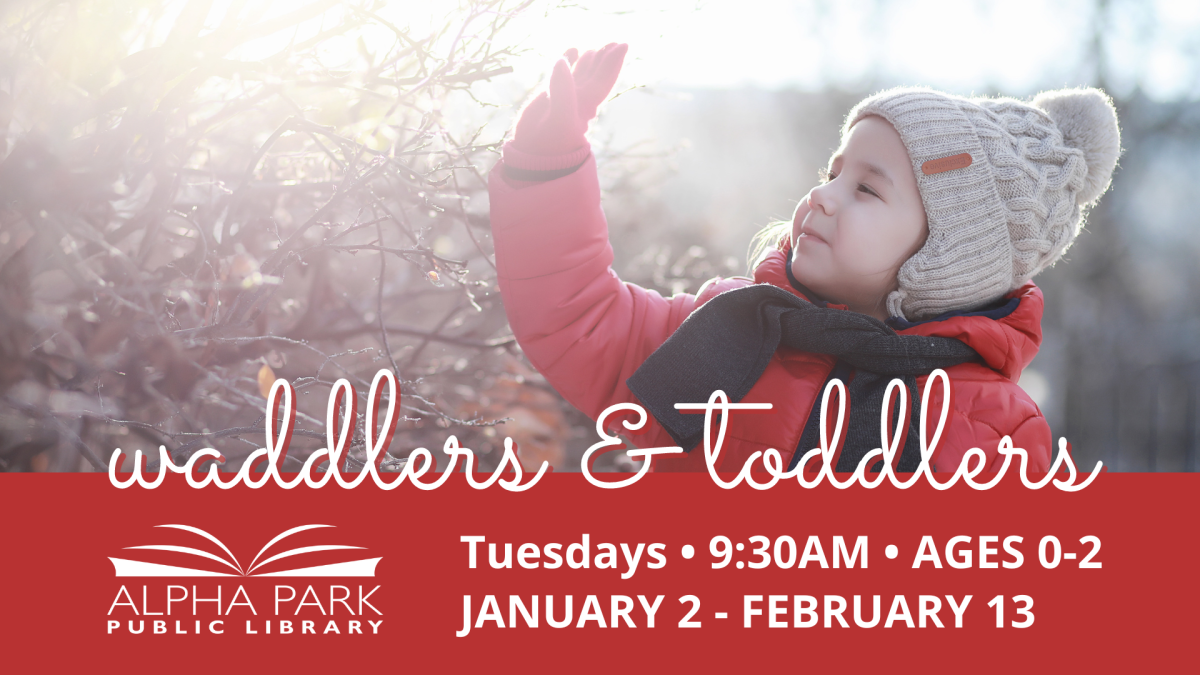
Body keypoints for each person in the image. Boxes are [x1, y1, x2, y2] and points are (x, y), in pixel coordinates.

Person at [487, 42, 1121, 474]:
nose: (822, 194)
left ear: (946, 259)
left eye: (867, 188)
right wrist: (548, 168)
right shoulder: (730, 333)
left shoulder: (997, 427)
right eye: (832, 171)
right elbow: (578, 318)